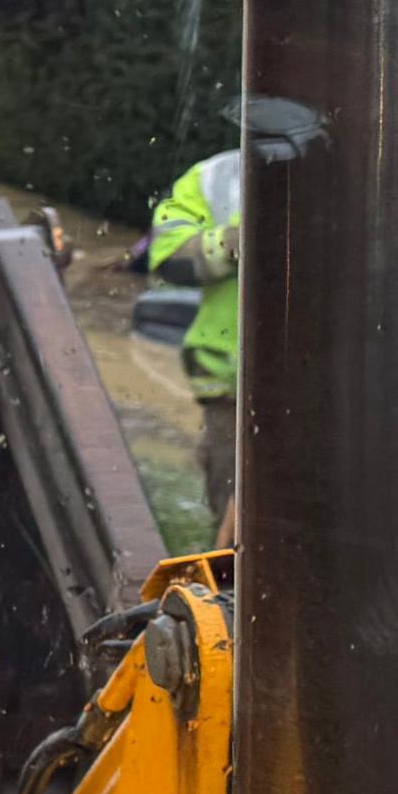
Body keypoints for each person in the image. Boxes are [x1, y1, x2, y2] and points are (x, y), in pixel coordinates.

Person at [146, 147, 243, 526]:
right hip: (227, 380)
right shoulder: (215, 177)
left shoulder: (365, 170)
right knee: (235, 505)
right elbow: (168, 255)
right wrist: (232, 241)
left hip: (329, 387)